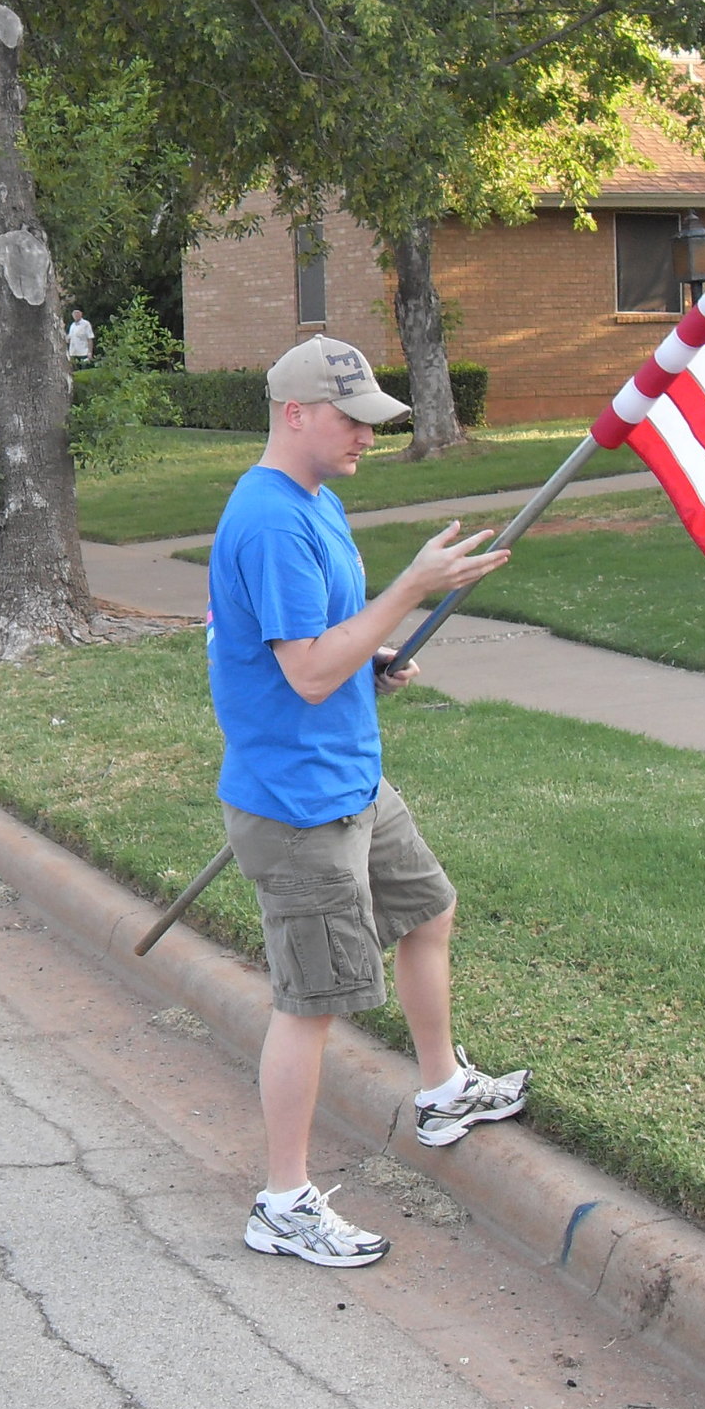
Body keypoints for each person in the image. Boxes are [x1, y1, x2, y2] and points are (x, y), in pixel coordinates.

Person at [207, 334, 531, 1269]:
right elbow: (305, 671)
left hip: (350, 776)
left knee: (429, 911)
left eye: (372, 421)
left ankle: (440, 1091)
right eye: (352, 420)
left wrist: (374, 658)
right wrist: (410, 589)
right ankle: (283, 1200)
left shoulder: (316, 501)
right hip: (298, 801)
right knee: (312, 1002)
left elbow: (323, 644)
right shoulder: (268, 521)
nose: (367, 437)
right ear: (295, 414)